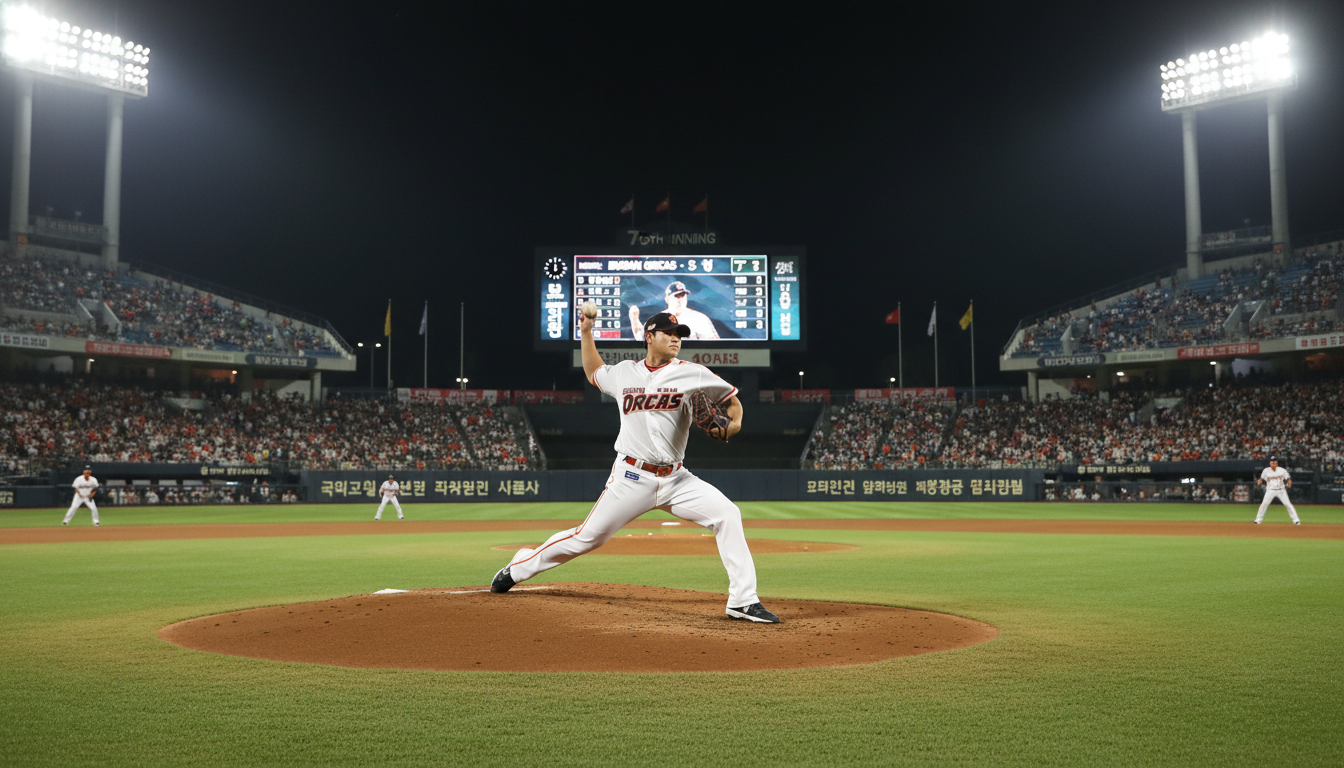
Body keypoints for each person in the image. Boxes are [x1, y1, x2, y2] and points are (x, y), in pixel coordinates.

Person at [491, 310, 779, 623]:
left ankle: (743, 600)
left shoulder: (693, 373)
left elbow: (732, 400)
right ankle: (518, 568)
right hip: (631, 476)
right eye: (668, 333)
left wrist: (732, 426)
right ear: (649, 336)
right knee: (587, 537)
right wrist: (587, 332)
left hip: (677, 479)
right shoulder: (625, 372)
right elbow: (594, 370)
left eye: (679, 334)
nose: (675, 339)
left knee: (727, 514)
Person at [628, 281, 720, 340]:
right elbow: (642, 340)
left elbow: (716, 346)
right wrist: (634, 320)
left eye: (683, 295)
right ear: (667, 299)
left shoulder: (700, 318)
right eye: (676, 296)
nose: (680, 299)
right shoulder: (657, 320)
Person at [1254, 456, 1300, 525]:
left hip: (1281, 490)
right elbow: (1261, 479)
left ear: (1277, 463)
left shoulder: (1282, 470)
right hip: (1270, 490)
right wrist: (1259, 481)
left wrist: (1289, 482)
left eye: (1275, 463)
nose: (1273, 464)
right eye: (1272, 463)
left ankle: (1296, 520)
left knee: (1288, 504)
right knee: (1264, 504)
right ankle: (1258, 520)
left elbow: (1288, 478)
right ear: (1270, 463)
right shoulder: (1266, 471)